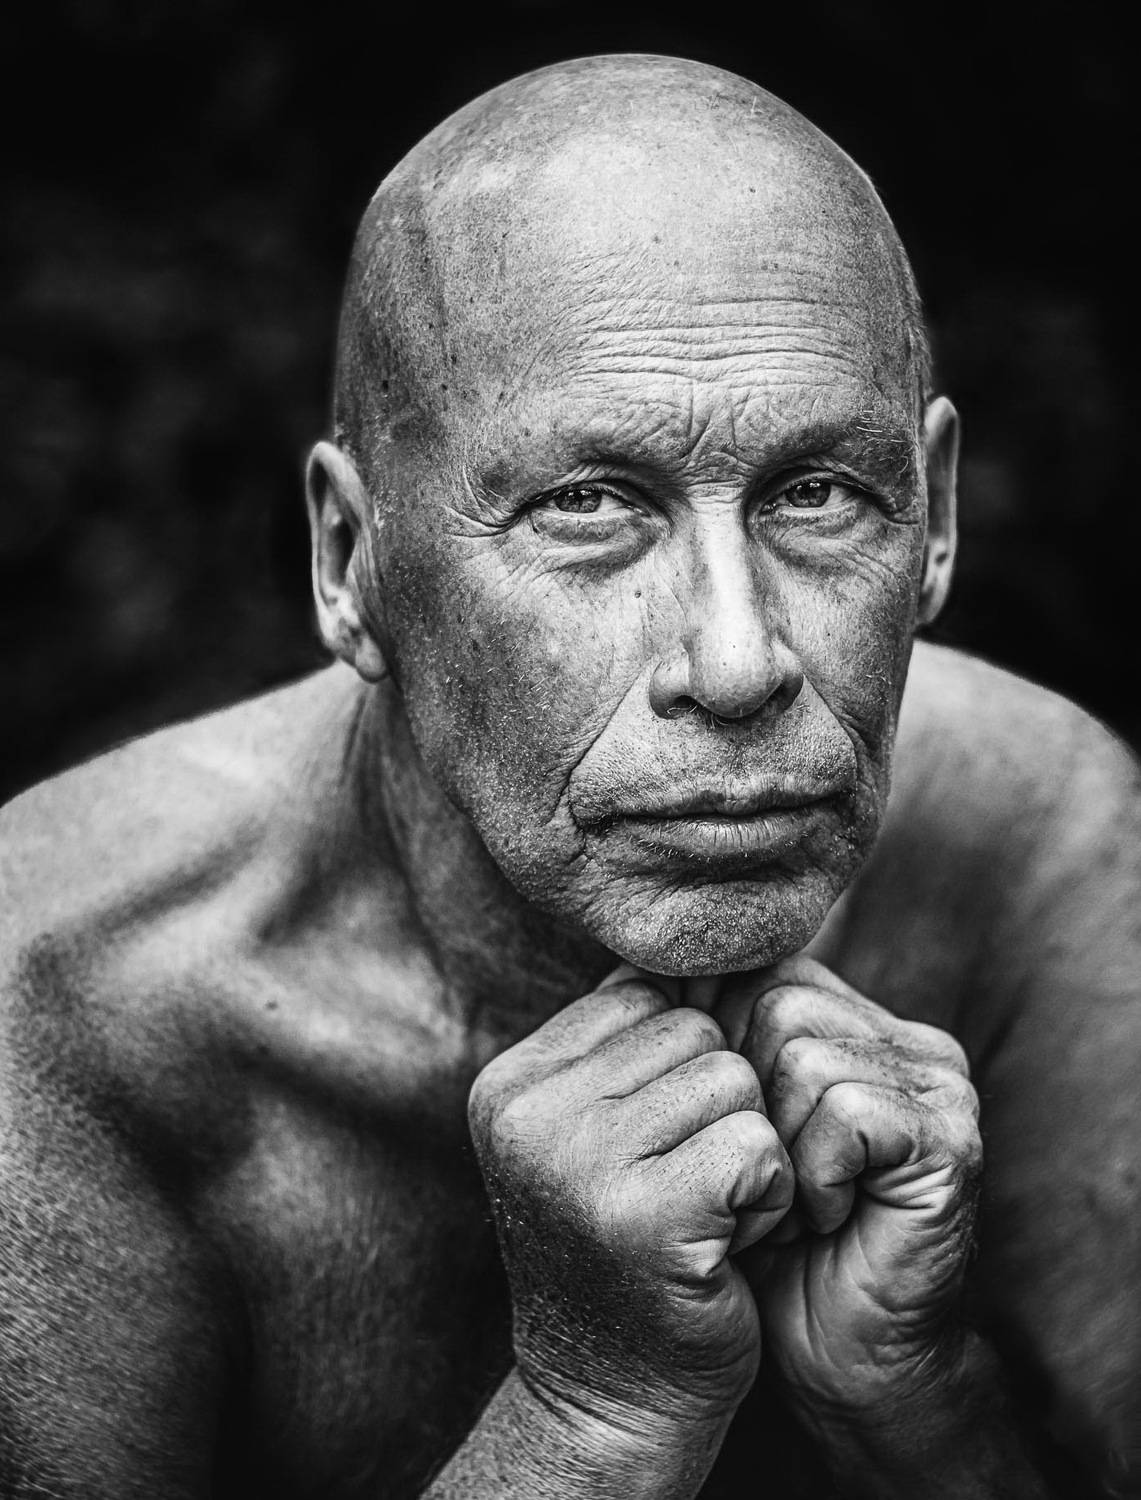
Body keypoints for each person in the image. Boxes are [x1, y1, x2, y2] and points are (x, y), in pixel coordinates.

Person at [0, 51, 1137, 1500]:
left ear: (936, 518)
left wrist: (911, 1400)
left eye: (816, 494)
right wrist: (592, 1414)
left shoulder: (1041, 835)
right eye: (586, 505)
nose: (738, 661)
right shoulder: (57, 1006)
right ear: (351, 560)